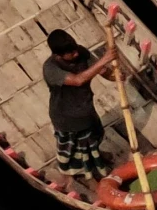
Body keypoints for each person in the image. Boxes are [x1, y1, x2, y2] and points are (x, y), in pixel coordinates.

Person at [42, 28, 113, 179]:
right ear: (58, 55)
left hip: (86, 109)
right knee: (78, 150)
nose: (76, 54)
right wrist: (104, 59)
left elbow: (101, 70)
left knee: (93, 139)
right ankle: (88, 175)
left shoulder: (80, 53)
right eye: (71, 53)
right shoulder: (51, 68)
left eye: (75, 49)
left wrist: (115, 75)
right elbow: (78, 80)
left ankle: (97, 158)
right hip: (66, 116)